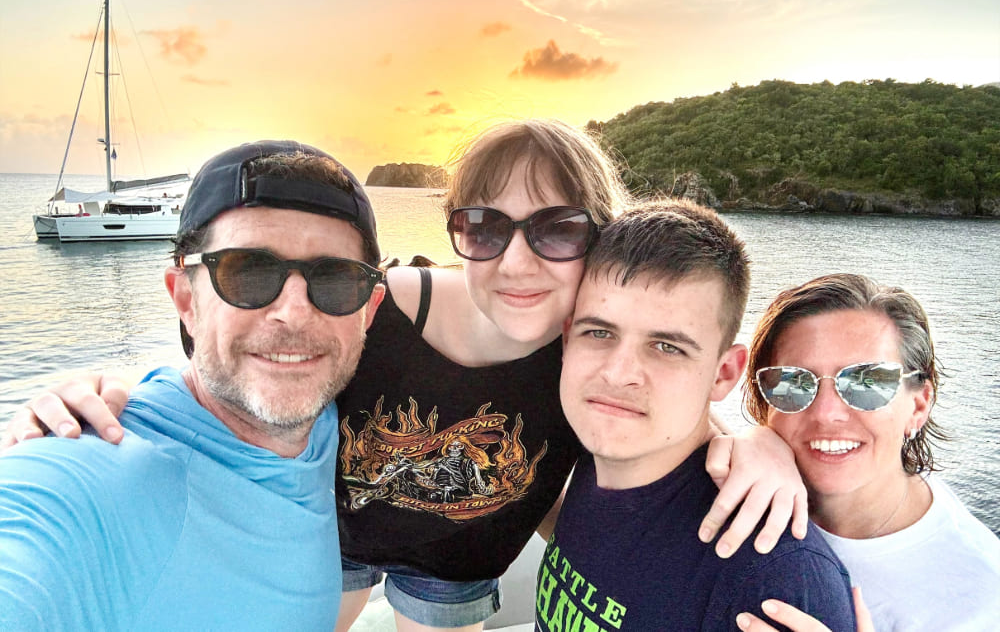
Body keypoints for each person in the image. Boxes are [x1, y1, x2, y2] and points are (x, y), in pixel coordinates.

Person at [4, 120, 808, 632]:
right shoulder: (377, 301)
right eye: (485, 227)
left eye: (558, 231)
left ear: (599, 245)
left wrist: (757, 439)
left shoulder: (592, 351)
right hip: (341, 534)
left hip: (460, 564)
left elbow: (666, 399)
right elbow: (253, 355)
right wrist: (106, 394)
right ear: (455, 233)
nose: (518, 260)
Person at [0, 141, 387, 629]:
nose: (293, 313)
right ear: (185, 298)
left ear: (369, 310)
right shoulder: (94, 475)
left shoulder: (338, 418)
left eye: (335, 281)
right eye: (247, 272)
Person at [538, 199, 856, 631]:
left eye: (667, 347)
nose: (618, 373)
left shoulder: (772, 573)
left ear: (723, 373)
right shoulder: (585, 453)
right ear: (566, 339)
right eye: (599, 332)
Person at [737, 273, 1000, 631]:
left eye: (868, 382)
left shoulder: (980, 597)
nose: (827, 412)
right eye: (792, 382)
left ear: (919, 405)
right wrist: (746, 443)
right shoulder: (732, 495)